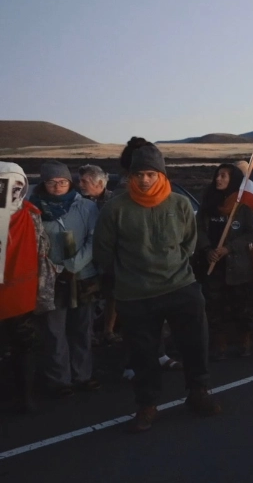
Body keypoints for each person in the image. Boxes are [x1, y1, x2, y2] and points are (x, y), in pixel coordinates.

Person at [93, 141, 221, 432]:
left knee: (195, 343)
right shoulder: (115, 209)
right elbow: (103, 252)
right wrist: (129, 276)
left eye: (151, 174)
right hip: (136, 294)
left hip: (180, 285)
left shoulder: (179, 203)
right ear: (130, 176)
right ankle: (147, 404)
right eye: (139, 174)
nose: (145, 179)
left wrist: (173, 266)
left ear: (162, 175)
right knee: (142, 353)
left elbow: (189, 242)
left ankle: (198, 392)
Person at [28, 161, 102, 396]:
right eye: (51, 182)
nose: (58, 186)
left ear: (69, 182)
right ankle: (60, 380)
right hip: (51, 279)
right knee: (54, 331)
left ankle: (83, 375)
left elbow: (94, 239)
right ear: (43, 184)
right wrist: (55, 270)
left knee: (81, 329)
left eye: (62, 182)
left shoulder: (87, 207)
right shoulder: (33, 210)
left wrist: (72, 265)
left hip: (83, 276)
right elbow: (33, 245)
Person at [0, 162, 53, 413]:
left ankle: (25, 396)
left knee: (24, 348)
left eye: (16, 185)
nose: (10, 191)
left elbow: (42, 251)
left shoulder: (31, 214)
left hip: (21, 296)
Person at [193, 164, 253, 361]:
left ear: (234, 180)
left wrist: (229, 248)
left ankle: (244, 340)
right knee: (214, 308)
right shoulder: (208, 204)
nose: (218, 179)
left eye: (224, 176)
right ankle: (219, 343)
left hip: (237, 267)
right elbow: (198, 230)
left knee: (241, 307)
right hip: (212, 265)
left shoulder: (243, 205)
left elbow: (251, 233)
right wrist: (206, 250)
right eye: (217, 175)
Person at [78, 164, 121, 345]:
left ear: (100, 183)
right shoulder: (77, 201)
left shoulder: (114, 202)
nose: (80, 184)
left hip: (109, 256)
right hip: (85, 257)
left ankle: (108, 331)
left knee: (112, 294)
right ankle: (87, 334)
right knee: (87, 296)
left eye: (84, 181)